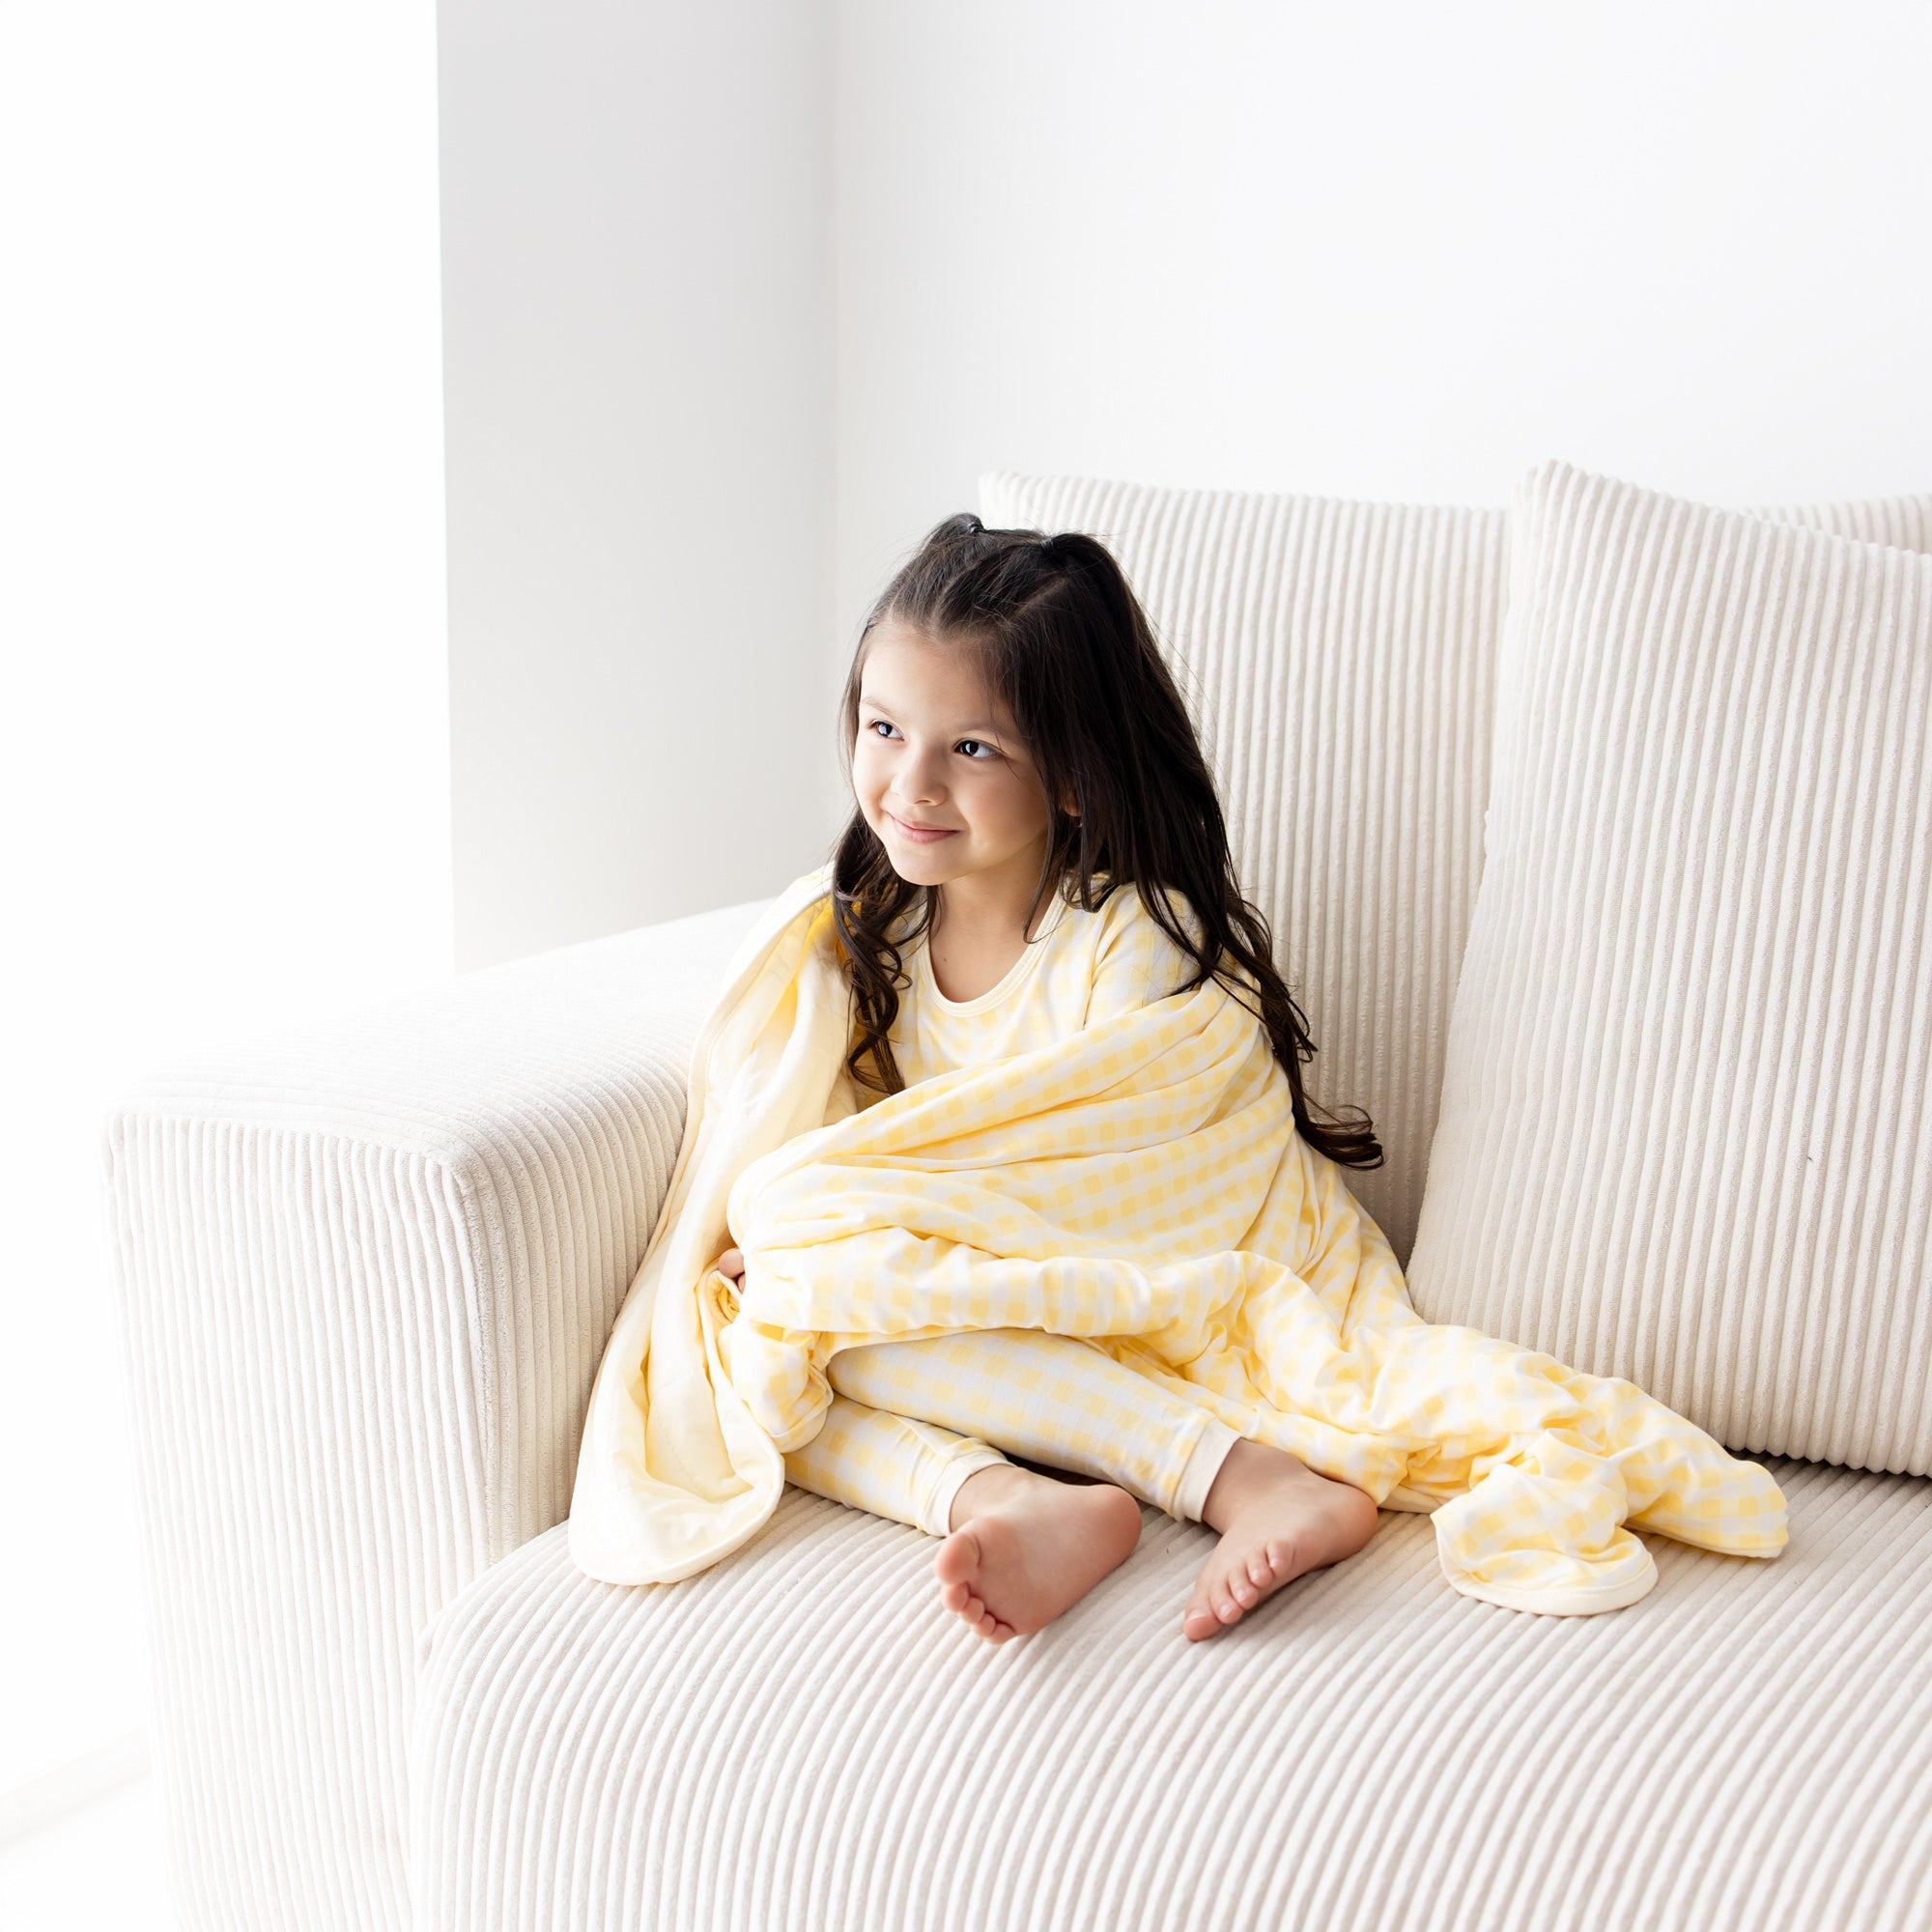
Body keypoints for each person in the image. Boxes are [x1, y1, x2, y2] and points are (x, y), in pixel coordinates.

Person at [713, 513, 1387, 1645]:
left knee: (822, 1288)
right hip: (996, 1310)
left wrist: (836, 1223)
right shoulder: (874, 935)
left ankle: (1242, 1474)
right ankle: (1000, 1495)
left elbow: (1106, 1167)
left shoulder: (1124, 935)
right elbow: (870, 1143)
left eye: (970, 749)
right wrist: (825, 1241)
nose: (909, 783)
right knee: (763, 1345)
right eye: (883, 728)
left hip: (1152, 1278)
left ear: (1072, 779)